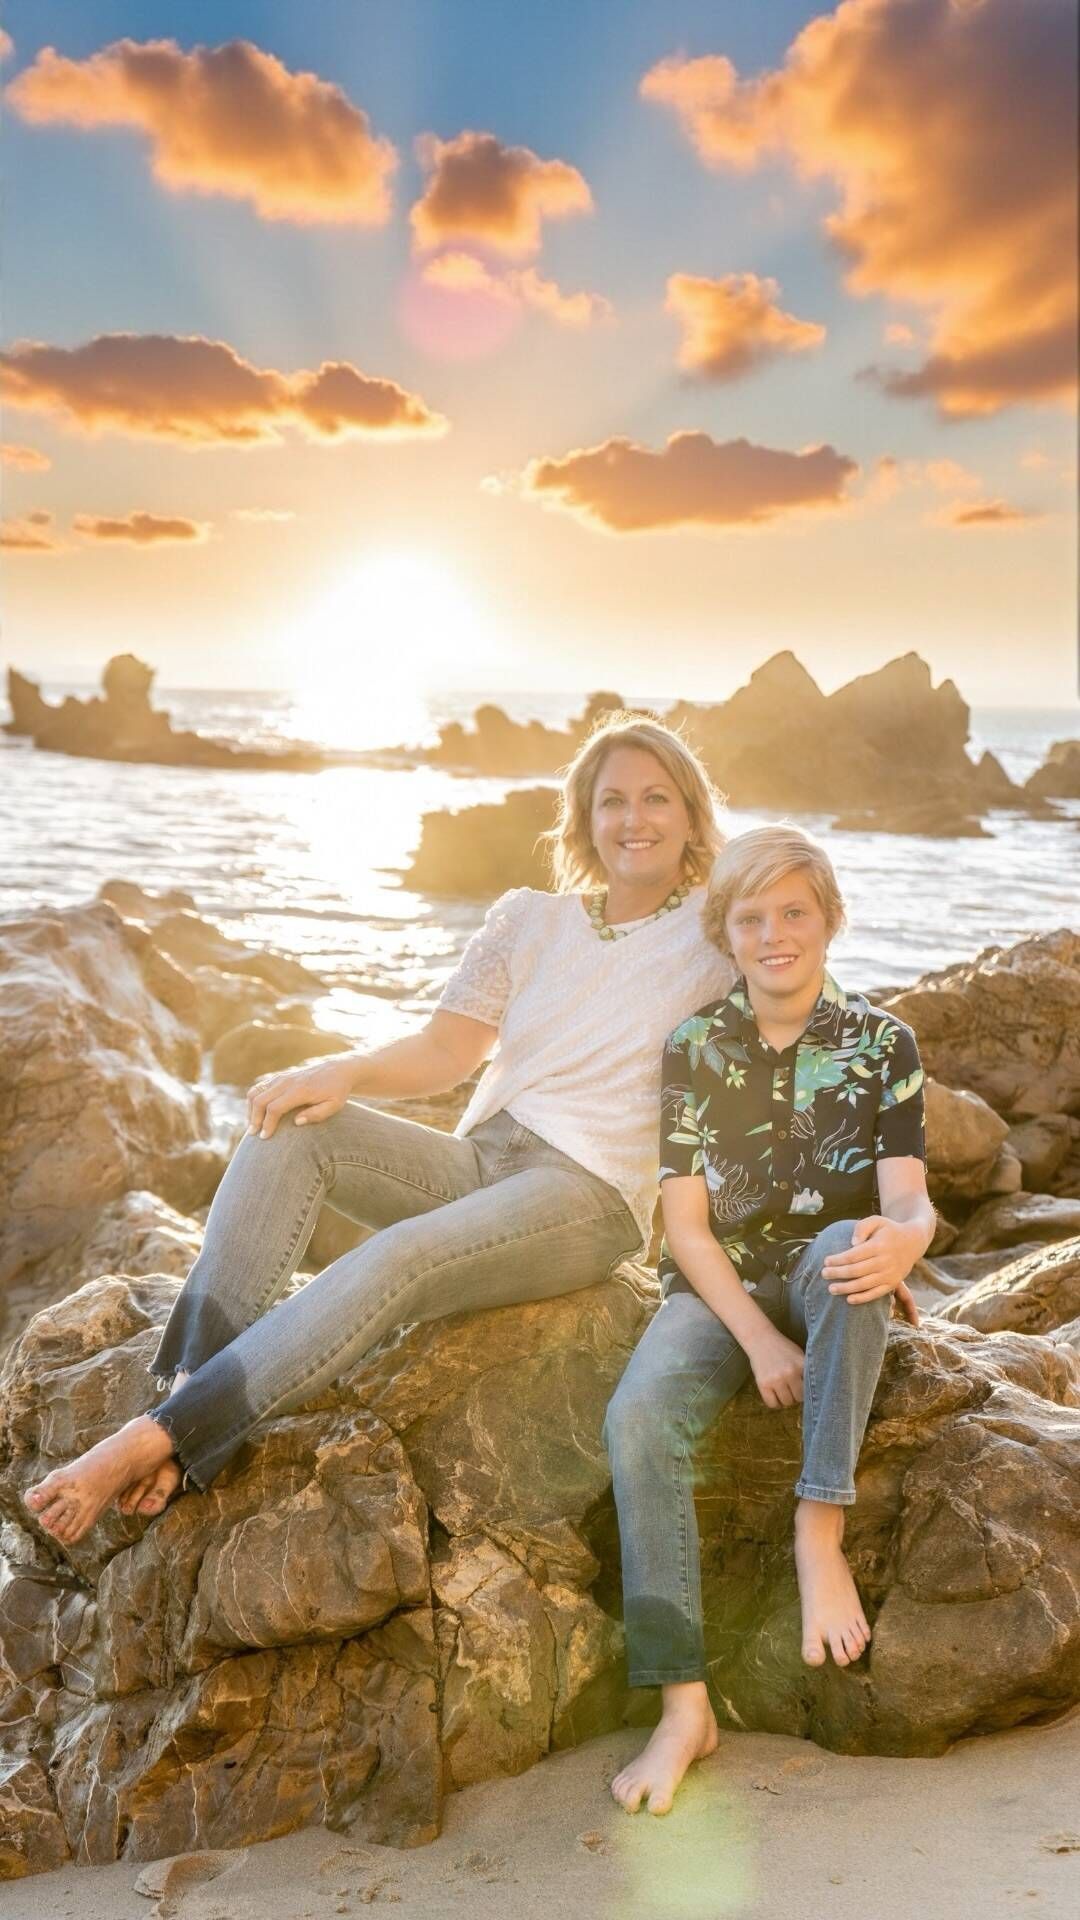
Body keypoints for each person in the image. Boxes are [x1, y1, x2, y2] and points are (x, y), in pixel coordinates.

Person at [25, 714, 736, 1546]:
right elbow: (446, 1051)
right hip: (483, 1158)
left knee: (401, 1256)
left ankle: (156, 1438)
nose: (634, 819)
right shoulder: (530, 918)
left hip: (586, 1198)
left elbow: (816, 1046)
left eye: (657, 798)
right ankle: (186, 1398)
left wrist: (872, 1223)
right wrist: (342, 1072)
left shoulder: (721, 934)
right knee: (290, 1130)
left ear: (690, 815)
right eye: (613, 800)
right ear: (583, 818)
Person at [604, 824, 934, 1816]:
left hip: (834, 1271)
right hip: (719, 1289)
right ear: (727, 934)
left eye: (796, 911)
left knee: (855, 1240)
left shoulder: (885, 1045)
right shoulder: (693, 1048)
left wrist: (905, 1245)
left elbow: (910, 1203)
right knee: (639, 1419)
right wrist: (756, 1339)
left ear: (830, 920)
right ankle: (683, 1706)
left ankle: (817, 1526)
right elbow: (685, 1227)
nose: (775, 932)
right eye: (752, 917)